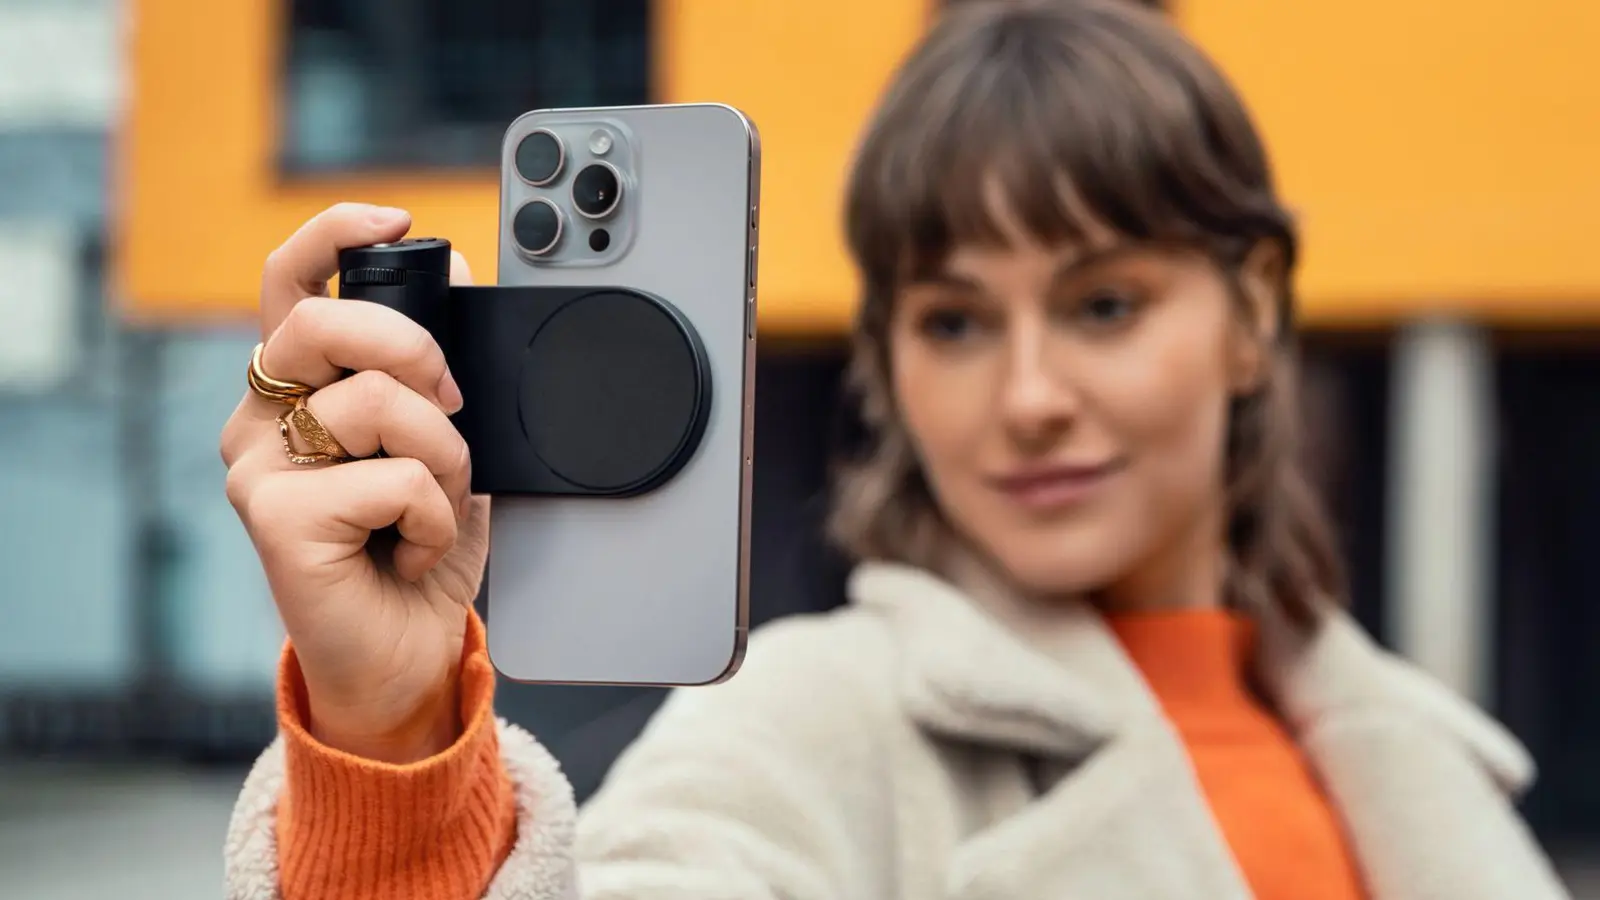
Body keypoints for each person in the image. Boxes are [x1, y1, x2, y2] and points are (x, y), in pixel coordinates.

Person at [219, 1, 1568, 898]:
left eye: (1103, 303)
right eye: (956, 320)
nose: (1029, 395)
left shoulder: (1409, 751)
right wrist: (389, 743)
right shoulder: (809, 727)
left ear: (1253, 310)